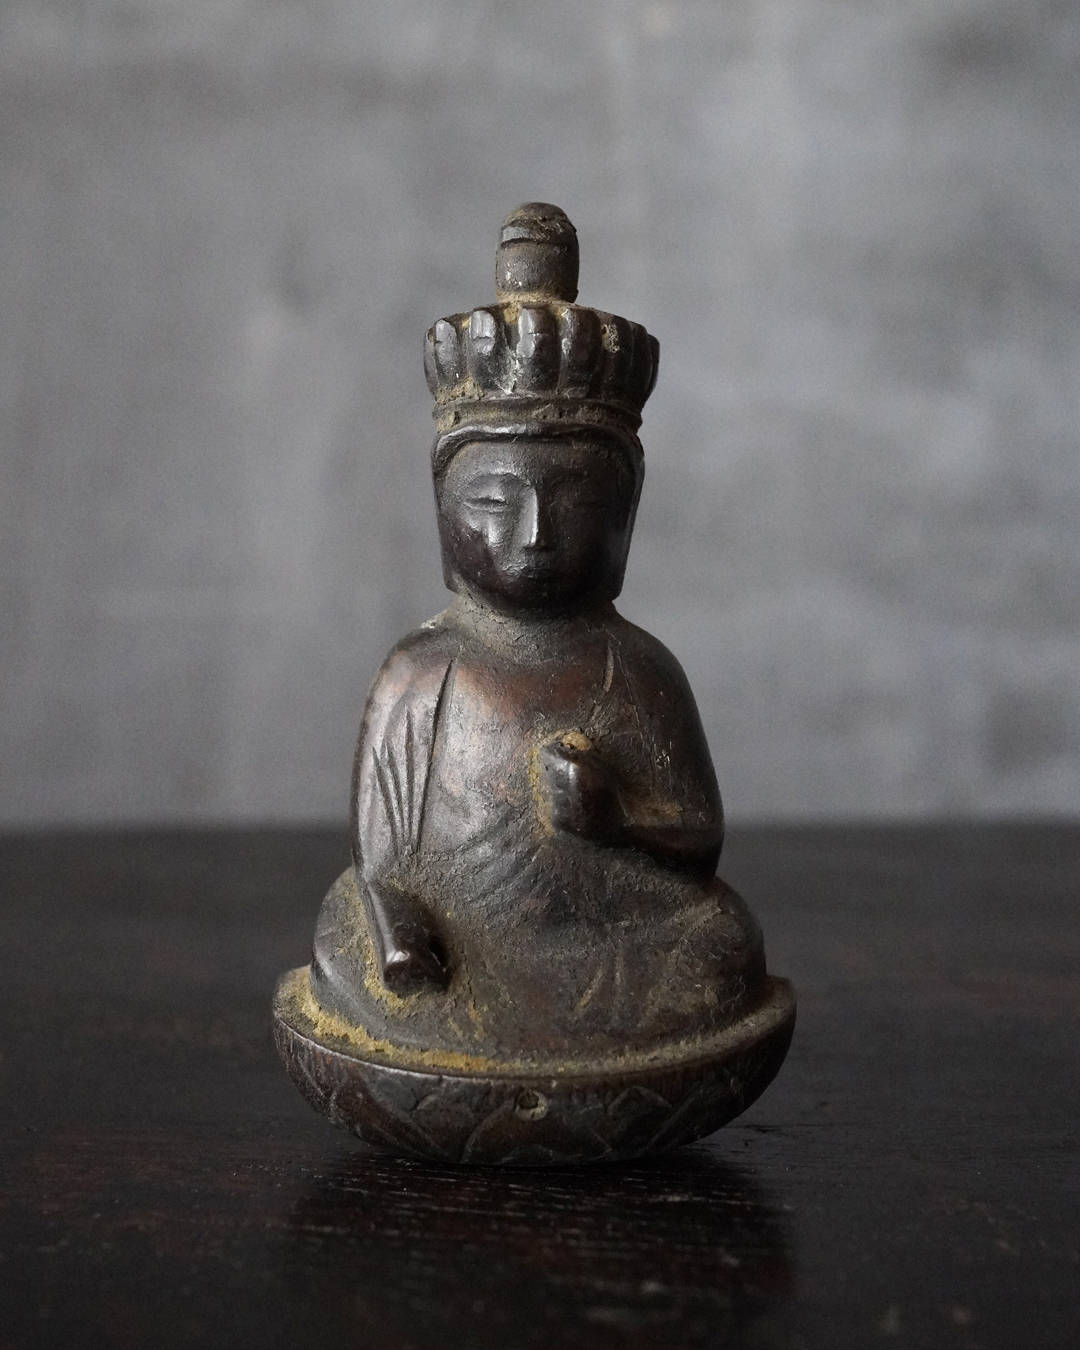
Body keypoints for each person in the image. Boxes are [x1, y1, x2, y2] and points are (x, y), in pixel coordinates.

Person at [309, 205, 766, 1064]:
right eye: (492, 502)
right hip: (456, 935)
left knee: (721, 939)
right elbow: (381, 863)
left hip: (603, 945)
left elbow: (699, 843)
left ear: (625, 511)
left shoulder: (637, 669)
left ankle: (521, 1050)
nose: (533, 535)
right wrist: (403, 938)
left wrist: (618, 822)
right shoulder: (423, 671)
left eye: (576, 502)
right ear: (443, 509)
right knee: (342, 930)